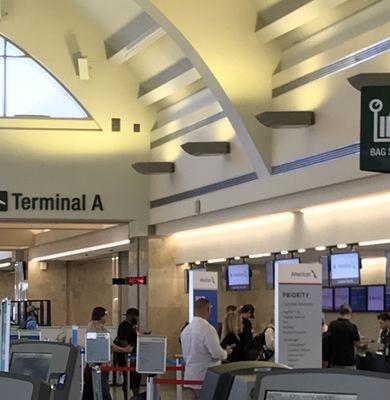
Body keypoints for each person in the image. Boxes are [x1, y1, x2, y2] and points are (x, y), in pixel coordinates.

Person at [181, 298, 231, 400]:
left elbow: (185, 356)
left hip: (190, 376)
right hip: (205, 377)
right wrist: (226, 352)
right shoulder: (208, 329)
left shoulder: (186, 330)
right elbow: (217, 353)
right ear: (208, 309)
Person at [82, 307, 132, 400]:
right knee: (103, 392)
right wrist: (125, 350)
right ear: (101, 316)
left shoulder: (92, 327)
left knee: (93, 391)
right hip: (99, 365)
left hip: (97, 364)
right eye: (105, 315)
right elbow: (111, 346)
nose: (106, 318)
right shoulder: (97, 328)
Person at [116, 308, 141, 399]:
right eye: (136, 317)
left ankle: (135, 397)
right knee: (128, 379)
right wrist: (128, 357)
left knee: (136, 378)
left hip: (133, 356)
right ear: (130, 316)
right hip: (127, 358)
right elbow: (124, 342)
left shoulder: (132, 326)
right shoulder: (124, 326)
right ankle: (127, 397)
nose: (137, 319)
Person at [328, 304, 360, 369]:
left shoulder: (332, 325)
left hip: (335, 360)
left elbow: (328, 340)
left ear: (339, 313)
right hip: (348, 361)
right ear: (349, 312)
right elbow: (357, 343)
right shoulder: (352, 327)